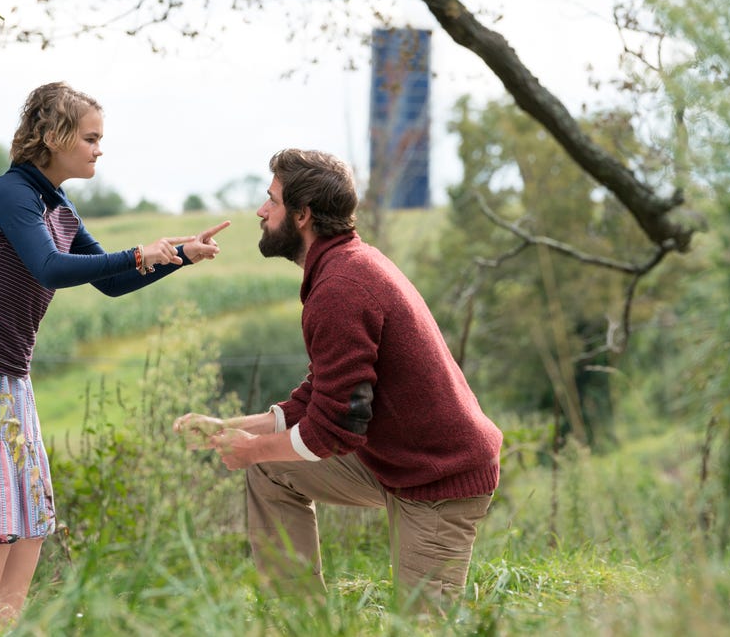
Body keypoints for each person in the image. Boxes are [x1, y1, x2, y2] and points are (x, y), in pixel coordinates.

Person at [0, 81, 230, 628]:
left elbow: (112, 283)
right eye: (91, 137)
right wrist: (136, 252)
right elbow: (49, 268)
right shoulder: (12, 193)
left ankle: (1, 628)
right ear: (54, 137)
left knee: (30, 518)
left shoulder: (56, 202)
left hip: (7, 374)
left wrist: (178, 257)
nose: (100, 148)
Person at [173, 148, 501, 611]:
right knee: (270, 468)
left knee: (421, 624)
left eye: (272, 200)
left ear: (302, 215)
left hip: (440, 476)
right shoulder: (342, 267)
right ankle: (302, 620)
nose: (261, 211)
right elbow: (319, 398)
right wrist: (233, 430)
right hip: (395, 461)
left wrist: (251, 449)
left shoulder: (342, 286)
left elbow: (335, 428)